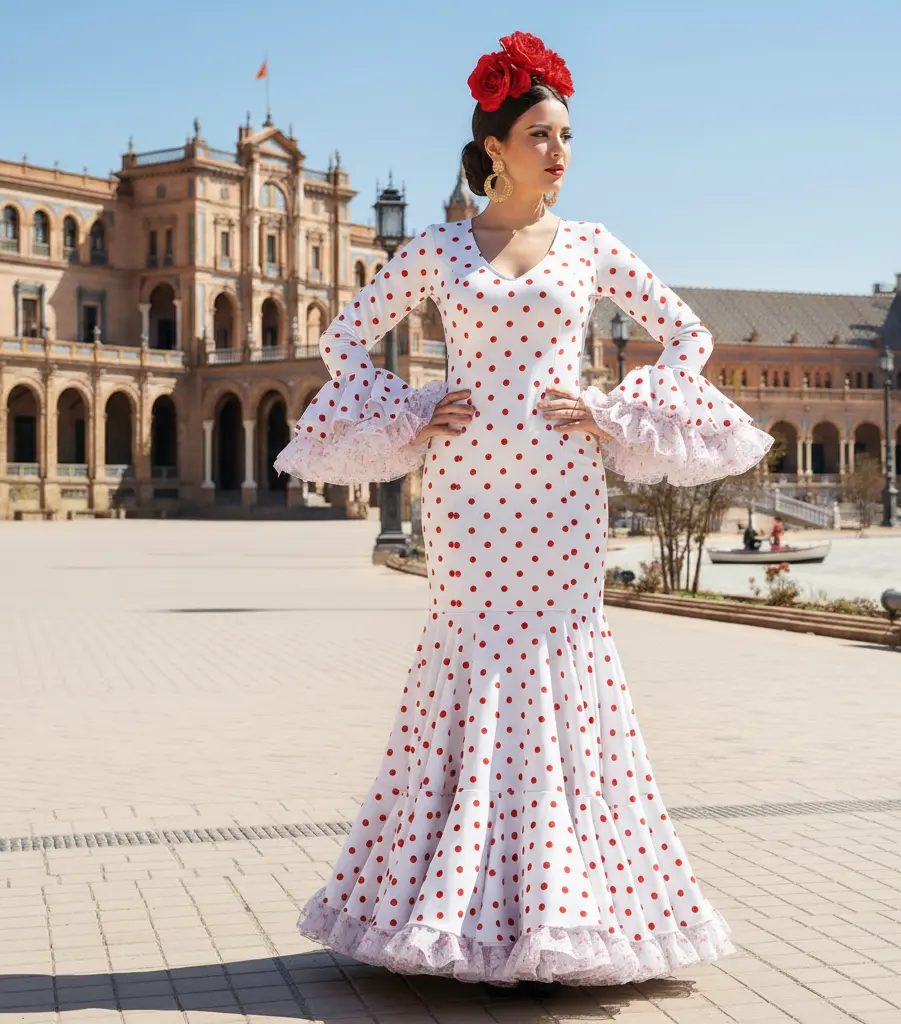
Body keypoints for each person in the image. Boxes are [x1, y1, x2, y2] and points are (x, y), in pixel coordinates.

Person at [275, 31, 772, 987]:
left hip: (561, 487)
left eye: (568, 135)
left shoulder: (591, 246)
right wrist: (421, 409)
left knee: (561, 661)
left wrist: (610, 409)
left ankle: (572, 908)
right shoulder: (437, 250)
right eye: (541, 134)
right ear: (494, 147)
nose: (560, 152)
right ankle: (450, 906)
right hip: (466, 494)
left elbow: (689, 336)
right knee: (466, 662)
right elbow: (345, 342)